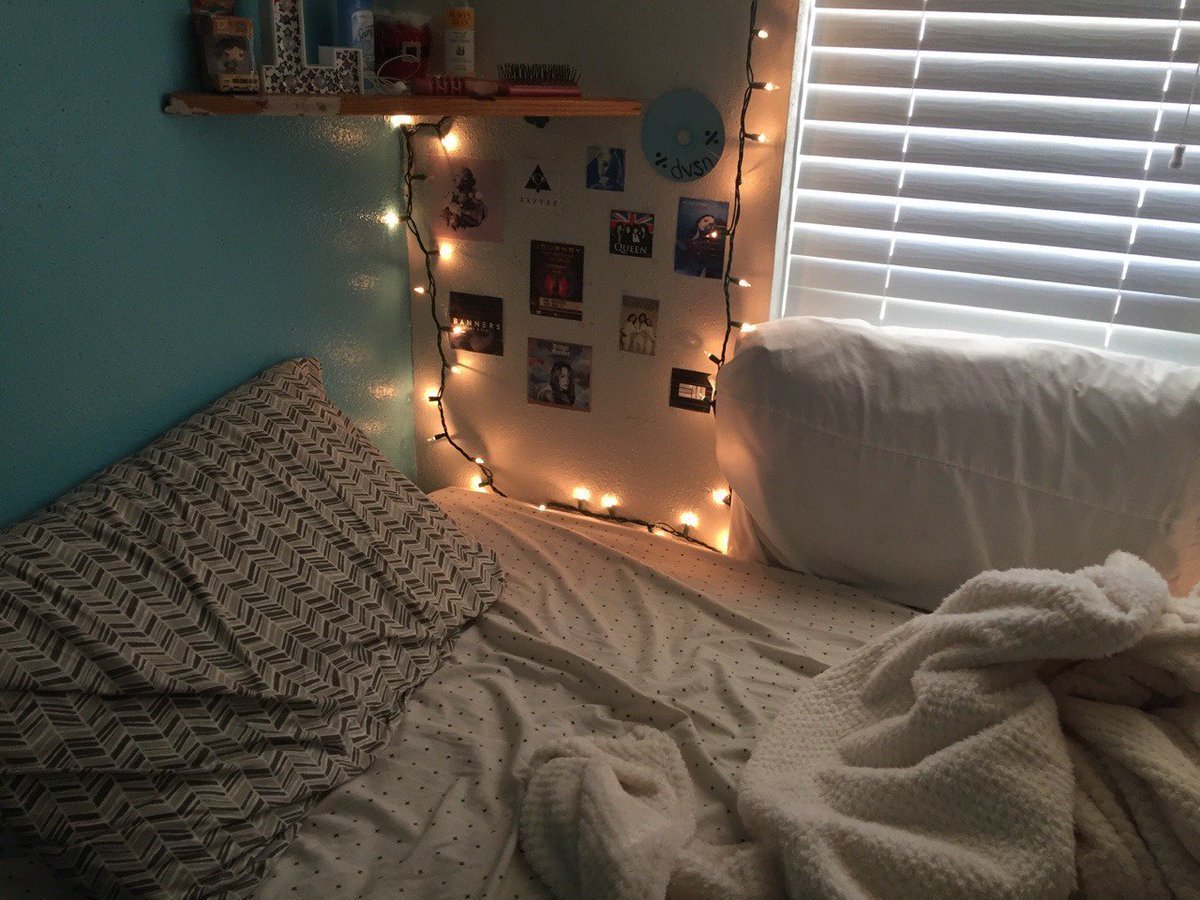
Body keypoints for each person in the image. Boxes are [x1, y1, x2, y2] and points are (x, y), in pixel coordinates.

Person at [675, 212, 725, 278]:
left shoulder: (707, 244)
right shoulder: (685, 235)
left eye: (710, 225)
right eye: (706, 221)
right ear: (699, 221)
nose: (707, 224)